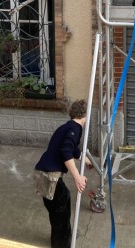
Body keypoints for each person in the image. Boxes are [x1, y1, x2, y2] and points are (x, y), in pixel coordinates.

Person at [34, 99, 91, 248]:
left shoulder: (67, 127)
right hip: (49, 176)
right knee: (61, 208)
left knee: (57, 210)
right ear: (85, 115)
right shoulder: (76, 128)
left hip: (41, 173)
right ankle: (62, 243)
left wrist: (86, 160)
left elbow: (72, 149)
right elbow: (66, 151)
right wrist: (77, 177)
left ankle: (63, 237)